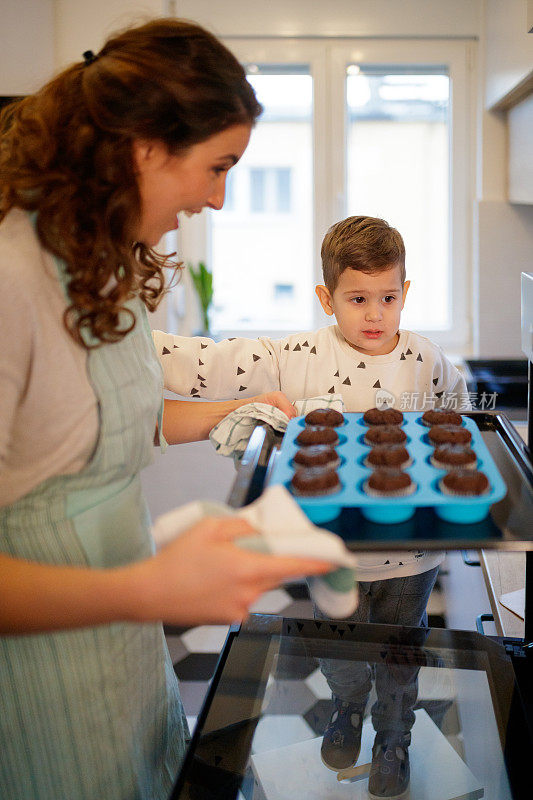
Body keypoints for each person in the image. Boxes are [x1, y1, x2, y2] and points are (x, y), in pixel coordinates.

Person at [0, 18, 332, 800]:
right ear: (146, 145)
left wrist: (235, 408)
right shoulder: (10, 280)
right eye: (216, 167)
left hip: (122, 653)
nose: (217, 199)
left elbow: (106, 420)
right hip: (41, 673)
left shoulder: (94, 256)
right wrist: (152, 589)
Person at [152, 215, 470, 796]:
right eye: (357, 298)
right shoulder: (299, 355)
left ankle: (393, 736)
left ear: (406, 292)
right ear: (327, 298)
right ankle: (348, 710)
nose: (374, 314)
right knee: (336, 645)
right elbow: (221, 361)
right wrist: (134, 347)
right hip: (331, 554)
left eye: (388, 297)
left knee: (400, 655)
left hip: (411, 557)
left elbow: (462, 432)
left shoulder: (428, 361)